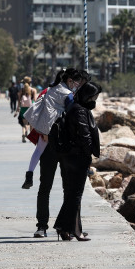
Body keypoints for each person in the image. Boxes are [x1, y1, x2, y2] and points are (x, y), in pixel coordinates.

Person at [21, 68, 86, 190]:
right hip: (55, 128)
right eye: (76, 82)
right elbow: (71, 112)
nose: (77, 85)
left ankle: (29, 174)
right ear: (70, 80)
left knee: (38, 150)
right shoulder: (68, 94)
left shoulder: (51, 88)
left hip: (43, 124)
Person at [53, 81, 101, 241]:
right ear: (88, 96)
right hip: (77, 157)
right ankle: (67, 228)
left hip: (67, 156)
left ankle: (70, 228)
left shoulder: (72, 108)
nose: (95, 100)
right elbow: (85, 136)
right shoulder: (80, 111)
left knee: (71, 194)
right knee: (75, 195)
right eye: (94, 97)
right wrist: (88, 157)